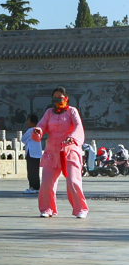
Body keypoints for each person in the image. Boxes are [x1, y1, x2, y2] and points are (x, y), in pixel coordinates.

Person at [32, 86, 89, 219]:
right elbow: (41, 125)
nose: (57, 100)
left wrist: (72, 137)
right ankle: (47, 208)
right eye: (55, 98)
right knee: (47, 183)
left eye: (60, 97)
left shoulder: (72, 111)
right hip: (52, 152)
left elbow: (78, 126)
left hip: (69, 151)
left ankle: (81, 209)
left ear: (66, 98)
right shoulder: (49, 113)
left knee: (73, 181)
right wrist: (38, 131)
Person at [21, 114, 42, 194]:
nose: (27, 123)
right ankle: (37, 187)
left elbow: (23, 139)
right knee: (36, 171)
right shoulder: (39, 130)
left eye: (29, 121)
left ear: (33, 122)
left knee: (31, 171)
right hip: (37, 153)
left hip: (31, 153)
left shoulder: (31, 130)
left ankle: (32, 187)